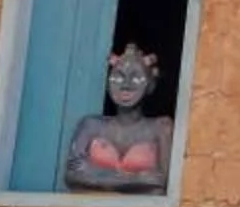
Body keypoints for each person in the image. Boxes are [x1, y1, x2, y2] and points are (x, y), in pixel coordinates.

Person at [61, 43, 172, 193]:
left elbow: (160, 181)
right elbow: (73, 174)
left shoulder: (161, 127)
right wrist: (137, 178)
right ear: (108, 85)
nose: (126, 85)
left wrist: (94, 175)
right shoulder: (90, 125)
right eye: (118, 78)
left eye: (136, 78)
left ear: (150, 85)